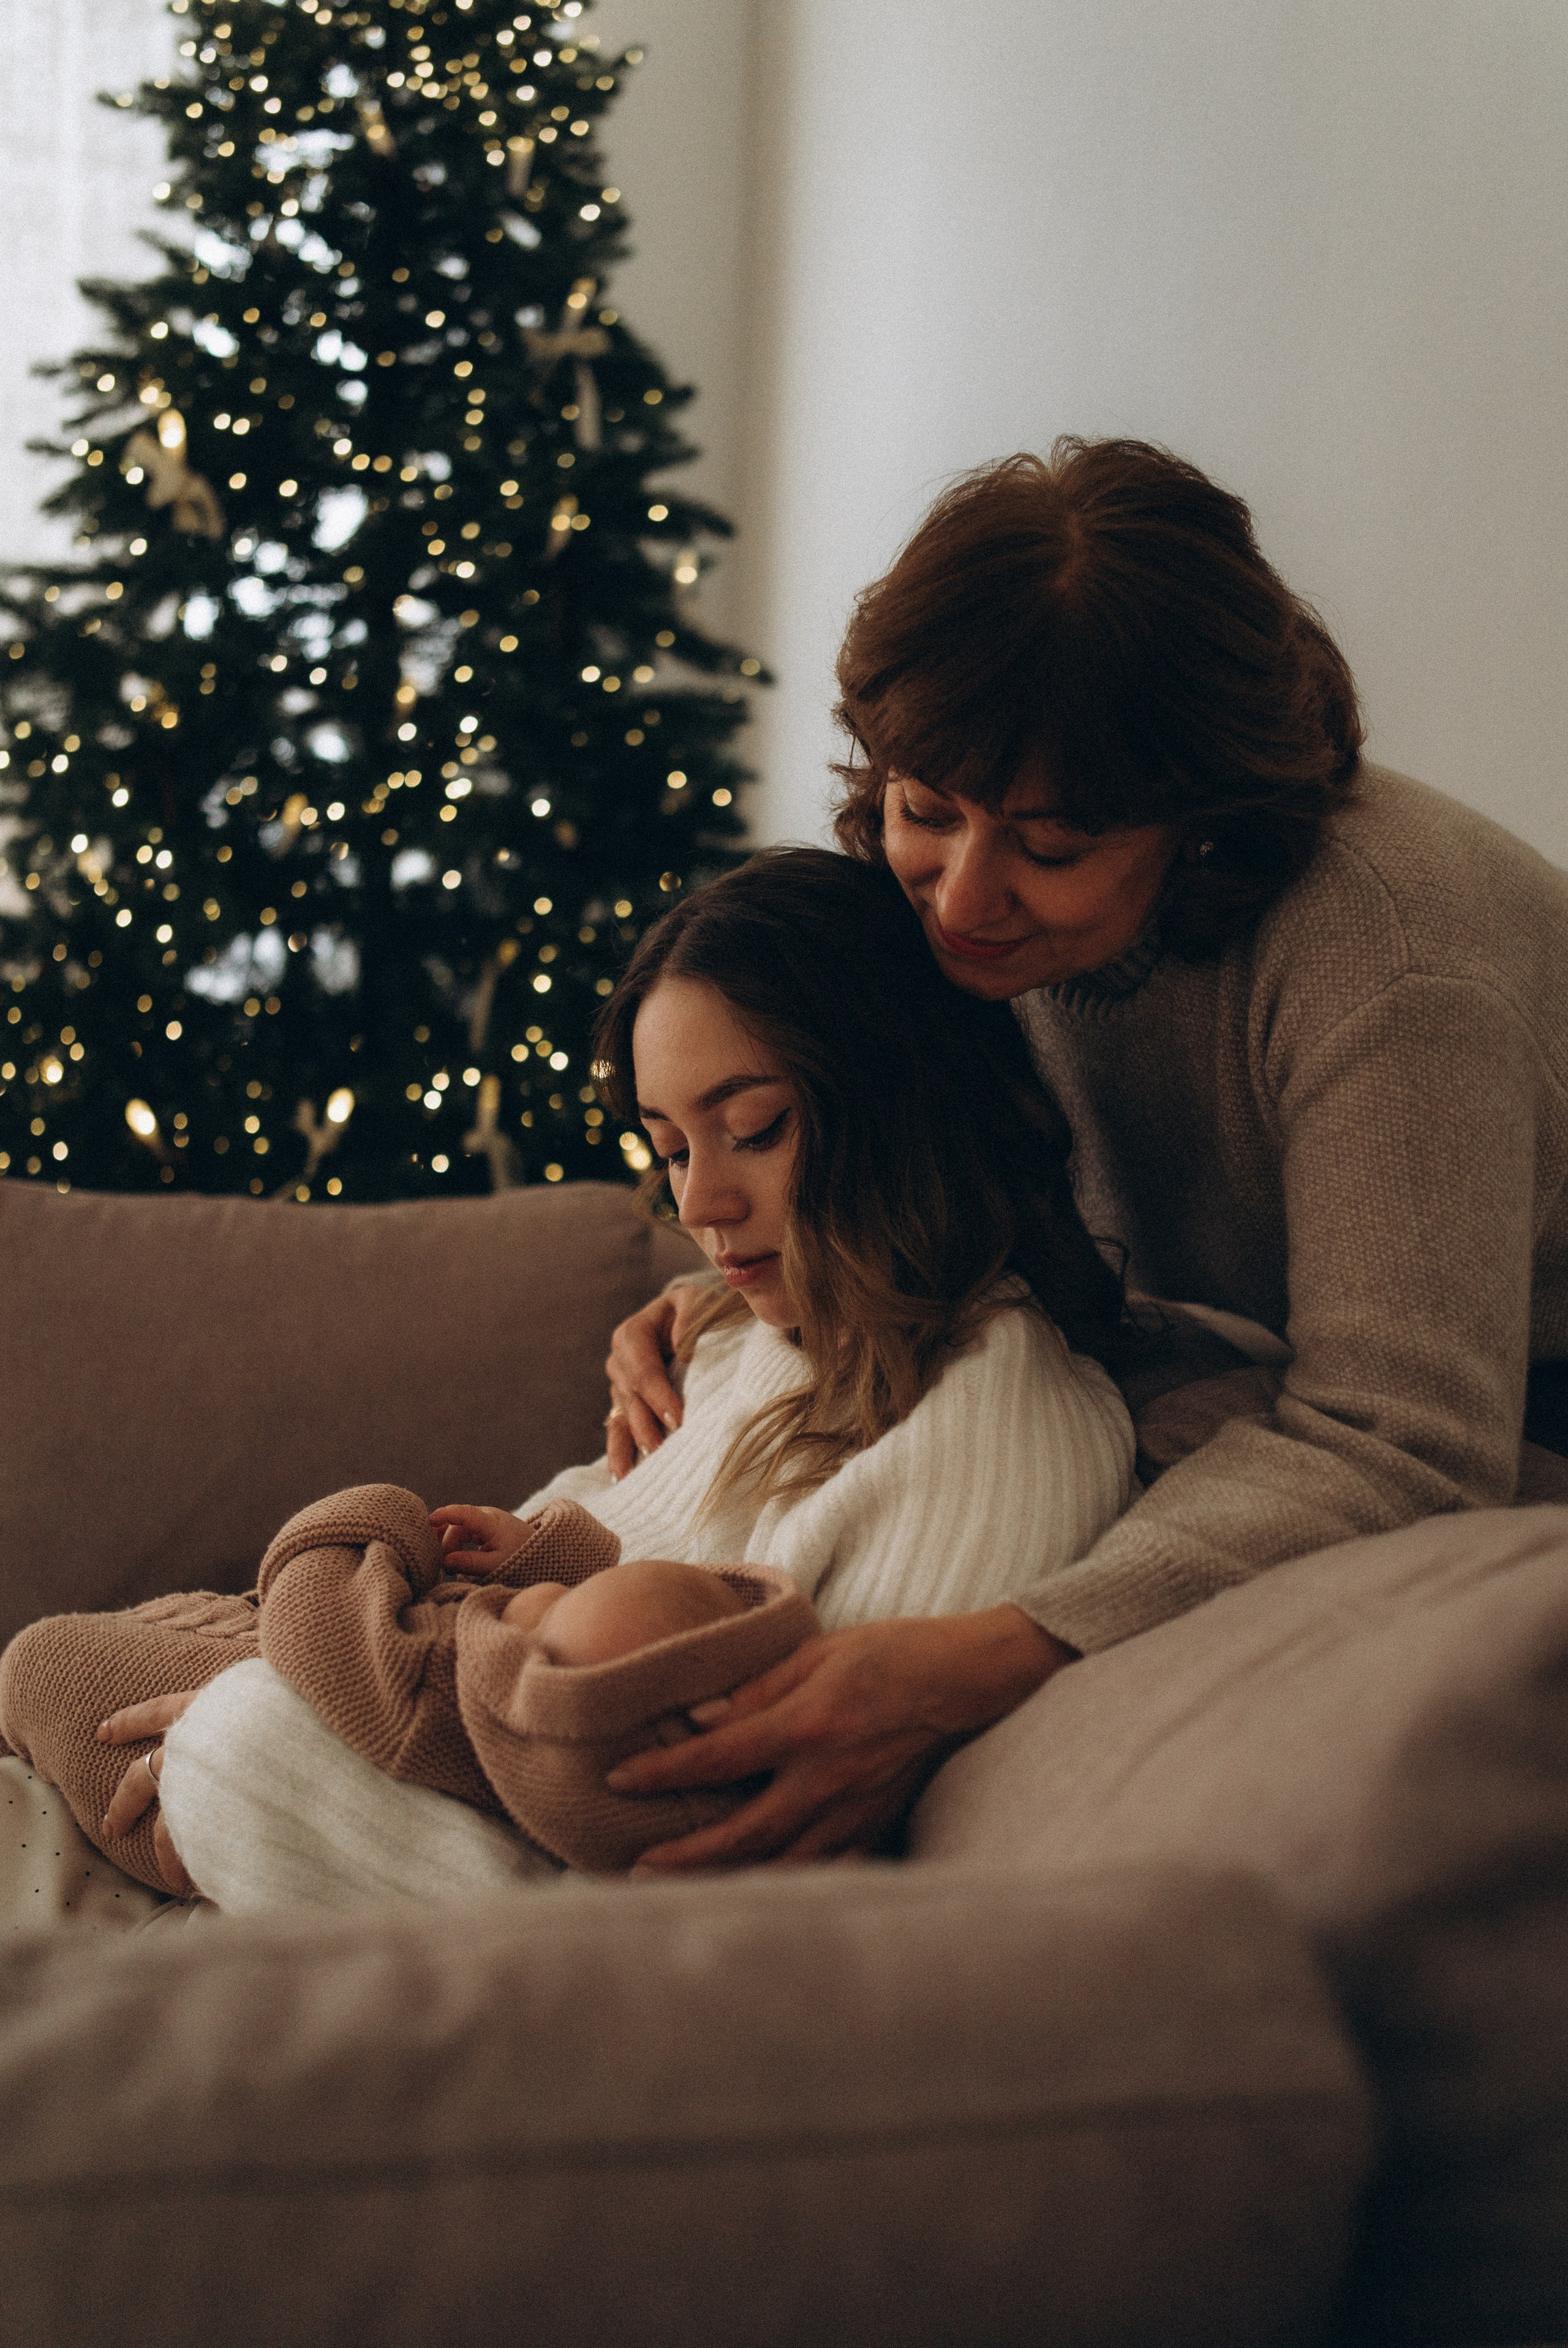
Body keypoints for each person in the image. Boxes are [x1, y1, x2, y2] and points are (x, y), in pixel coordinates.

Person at [605, 437, 1568, 1873]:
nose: (962, 895)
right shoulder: (934, 890)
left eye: (1050, 846)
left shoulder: (1388, 966)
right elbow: (923, 1183)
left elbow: (1404, 1436)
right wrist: (726, 1294)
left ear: (1201, 830)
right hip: (1231, 1367)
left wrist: (990, 1653)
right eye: (924, 808)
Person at [67, 845, 1135, 1911]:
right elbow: (565, 1572)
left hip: (591, 1864)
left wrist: (298, 1718)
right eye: (671, 1150)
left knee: (235, 1738)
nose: (699, 1204)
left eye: (755, 1129)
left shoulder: (1002, 1420)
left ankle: (235, 1776)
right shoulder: (749, 1337)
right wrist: (509, 1567)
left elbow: (747, 1809)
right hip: (457, 1692)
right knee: (59, 1666)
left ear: (903, 1097)